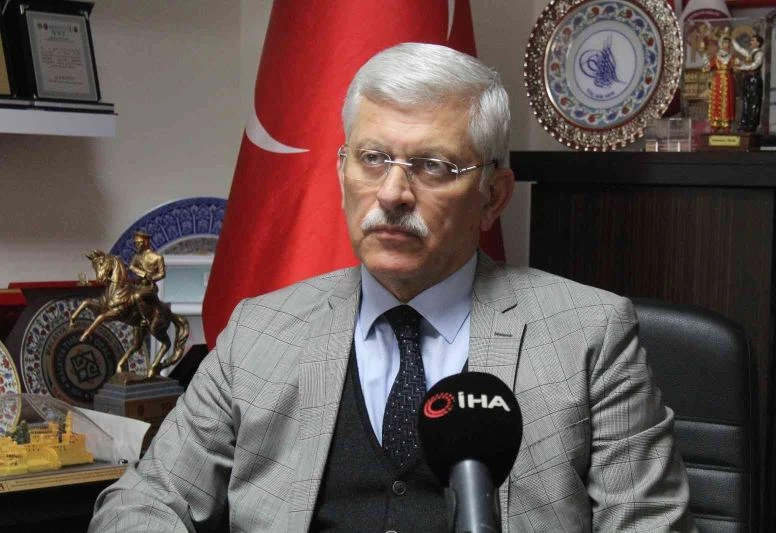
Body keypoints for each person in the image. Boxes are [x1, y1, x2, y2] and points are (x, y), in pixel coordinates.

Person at [89, 43, 695, 532]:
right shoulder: (261, 331)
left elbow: (649, 525)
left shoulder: (589, 335)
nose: (392, 194)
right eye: (373, 158)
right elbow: (148, 500)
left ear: (493, 196)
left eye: (433, 166)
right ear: (341, 173)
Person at [127, 230, 166, 326]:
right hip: (138, 285)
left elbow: (162, 274)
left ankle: (144, 318)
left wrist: (151, 278)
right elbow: (131, 267)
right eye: (136, 243)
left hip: (149, 286)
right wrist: (144, 274)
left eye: (138, 243)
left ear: (145, 242)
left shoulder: (157, 257)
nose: (136, 245)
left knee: (137, 296)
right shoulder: (137, 256)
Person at [703, 30, 737, 131]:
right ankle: (716, 122)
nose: (727, 45)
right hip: (717, 81)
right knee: (717, 100)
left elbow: (737, 68)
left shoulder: (732, 57)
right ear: (721, 44)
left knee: (727, 101)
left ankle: (726, 123)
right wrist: (704, 55)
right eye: (725, 42)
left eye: (728, 43)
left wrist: (738, 66)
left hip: (728, 81)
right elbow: (708, 67)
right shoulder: (716, 57)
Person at [734, 34, 765, 132]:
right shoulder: (750, 53)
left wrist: (741, 67)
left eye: (753, 40)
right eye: (751, 40)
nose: (750, 42)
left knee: (754, 102)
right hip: (748, 79)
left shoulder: (759, 54)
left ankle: (752, 124)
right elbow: (739, 49)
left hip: (754, 79)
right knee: (746, 101)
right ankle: (744, 123)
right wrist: (731, 39)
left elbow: (754, 65)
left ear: (758, 43)